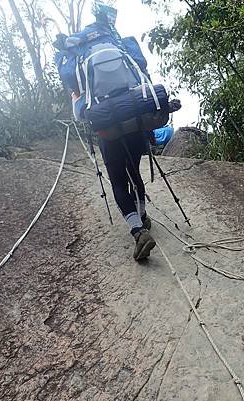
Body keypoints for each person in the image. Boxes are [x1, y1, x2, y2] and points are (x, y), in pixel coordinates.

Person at [71, 5, 157, 261]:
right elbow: (143, 74)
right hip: (133, 116)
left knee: (118, 181)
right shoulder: (119, 44)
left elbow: (79, 111)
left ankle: (138, 231)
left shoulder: (81, 58)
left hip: (107, 127)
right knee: (135, 173)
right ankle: (142, 214)